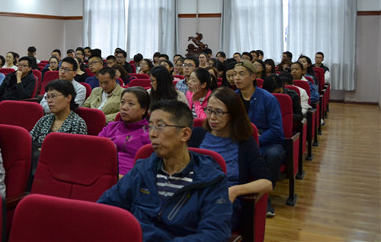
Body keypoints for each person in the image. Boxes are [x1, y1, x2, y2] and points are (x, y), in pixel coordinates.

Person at [98, 100, 232, 241]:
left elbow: (215, 234)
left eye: (160, 126)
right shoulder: (143, 170)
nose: (152, 134)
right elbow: (106, 208)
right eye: (150, 127)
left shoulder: (211, 179)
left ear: (185, 134)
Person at [189, 87, 273, 229]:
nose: (212, 117)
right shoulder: (196, 135)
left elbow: (266, 183)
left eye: (219, 112)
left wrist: (235, 190)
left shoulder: (245, 142)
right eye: (209, 110)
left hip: (223, 202)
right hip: (192, 196)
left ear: (233, 114)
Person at [233, 60, 284, 217]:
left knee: (273, 155)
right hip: (242, 140)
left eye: (241, 74)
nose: (237, 78)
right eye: (235, 74)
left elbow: (276, 130)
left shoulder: (268, 98)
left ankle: (264, 197)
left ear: (253, 76)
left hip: (266, 141)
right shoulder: (233, 98)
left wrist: (256, 141)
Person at [98, 87, 151, 176]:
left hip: (127, 178)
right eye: (122, 102)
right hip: (100, 172)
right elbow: (96, 150)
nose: (124, 107)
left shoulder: (149, 135)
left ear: (143, 110)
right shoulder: (111, 127)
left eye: (131, 104)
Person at [30, 79, 87, 146]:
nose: (49, 101)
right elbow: (29, 141)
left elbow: (76, 150)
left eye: (53, 96)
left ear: (68, 97)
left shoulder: (78, 123)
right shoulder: (44, 120)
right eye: (48, 97)